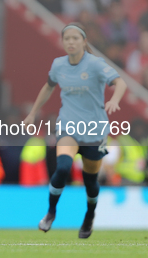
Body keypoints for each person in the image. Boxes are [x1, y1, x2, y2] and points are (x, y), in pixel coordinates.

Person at [24, 23, 127, 238]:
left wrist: (115, 100)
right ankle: (51, 212)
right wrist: (33, 113)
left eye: (75, 38)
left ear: (84, 41)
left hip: (94, 130)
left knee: (90, 180)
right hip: (68, 126)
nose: (70, 42)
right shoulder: (58, 65)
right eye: (66, 38)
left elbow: (120, 83)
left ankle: (89, 215)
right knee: (62, 167)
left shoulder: (96, 64)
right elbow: (48, 86)